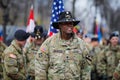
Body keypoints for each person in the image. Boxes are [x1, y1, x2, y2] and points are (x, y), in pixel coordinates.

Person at [35, 11, 92, 80]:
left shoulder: (82, 45)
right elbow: (40, 68)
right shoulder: (48, 43)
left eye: (71, 23)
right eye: (66, 23)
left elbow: (86, 70)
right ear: (60, 25)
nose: (69, 25)